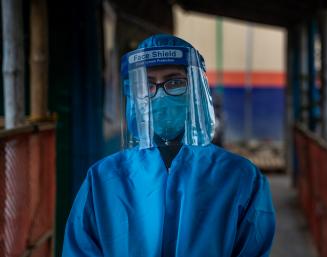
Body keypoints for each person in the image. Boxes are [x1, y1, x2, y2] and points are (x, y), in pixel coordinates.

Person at [62, 34, 275, 257]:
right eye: (148, 85)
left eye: (174, 82)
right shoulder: (103, 179)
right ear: (135, 94)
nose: (160, 95)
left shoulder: (239, 177)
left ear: (195, 90)